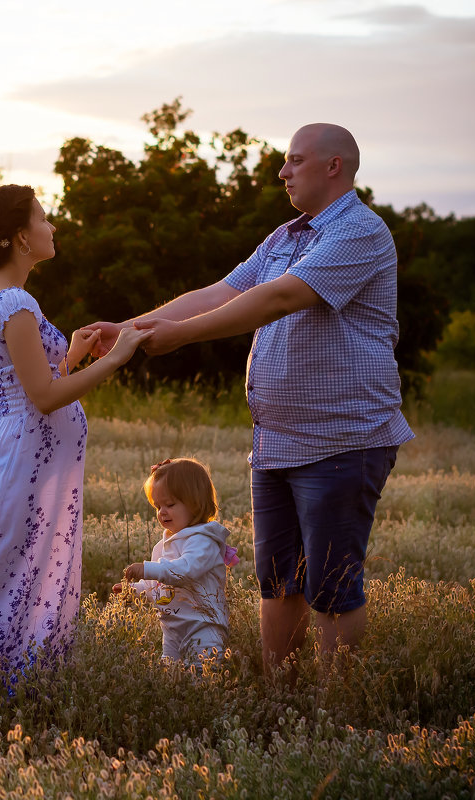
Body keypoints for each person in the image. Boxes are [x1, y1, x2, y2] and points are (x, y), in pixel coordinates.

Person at [85, 124, 414, 673]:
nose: (283, 172)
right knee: (278, 577)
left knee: (330, 584)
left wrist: (181, 337)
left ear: (334, 166)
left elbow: (281, 297)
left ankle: (334, 713)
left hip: (341, 440)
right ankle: (278, 697)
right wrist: (129, 328)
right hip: (277, 443)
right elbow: (220, 293)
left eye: (294, 161)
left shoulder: (360, 231)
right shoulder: (285, 237)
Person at [0, 184, 150, 667]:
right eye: (44, 219)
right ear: (19, 238)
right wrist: (115, 358)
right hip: (17, 457)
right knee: (7, 576)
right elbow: (44, 398)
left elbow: (29, 380)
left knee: (0, 573)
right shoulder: (16, 304)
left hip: (5, 446)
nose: (52, 227)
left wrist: (69, 356)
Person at [112, 458, 239, 666]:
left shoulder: (202, 541)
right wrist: (136, 590)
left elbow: (184, 571)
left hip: (203, 626)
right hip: (172, 628)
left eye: (170, 504)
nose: (162, 512)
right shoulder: (164, 544)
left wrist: (147, 569)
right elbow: (160, 586)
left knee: (201, 679)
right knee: (170, 677)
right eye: (157, 506)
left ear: (195, 503)